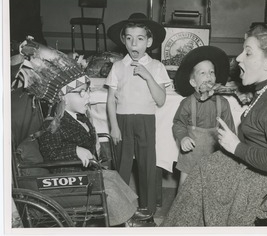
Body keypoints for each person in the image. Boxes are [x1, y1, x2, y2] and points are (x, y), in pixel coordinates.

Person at [15, 37, 156, 227]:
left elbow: (88, 140)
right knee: (109, 187)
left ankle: (130, 212)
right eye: (81, 92)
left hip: (84, 173)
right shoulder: (52, 124)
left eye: (87, 91)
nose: (87, 96)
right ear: (63, 98)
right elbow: (51, 151)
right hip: (69, 179)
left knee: (113, 177)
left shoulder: (80, 118)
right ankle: (125, 221)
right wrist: (75, 151)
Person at [162, 25, 267, 226]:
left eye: (247, 53)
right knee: (203, 170)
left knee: (205, 177)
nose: (238, 58)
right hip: (254, 168)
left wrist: (236, 147)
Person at [105, 13, 171, 215]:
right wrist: (114, 126)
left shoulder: (157, 67)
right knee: (122, 167)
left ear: (149, 42)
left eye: (140, 38)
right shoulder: (118, 67)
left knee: (147, 165)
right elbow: (110, 99)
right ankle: (120, 210)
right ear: (124, 41)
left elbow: (160, 100)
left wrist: (148, 75)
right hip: (123, 120)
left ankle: (148, 209)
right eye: (129, 38)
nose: (134, 43)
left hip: (145, 121)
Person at [172, 46, 235, 187]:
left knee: (213, 189)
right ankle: (181, 209)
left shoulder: (223, 103)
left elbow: (230, 130)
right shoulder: (187, 103)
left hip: (215, 156)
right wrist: (183, 138)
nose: (208, 76)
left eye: (211, 72)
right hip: (190, 156)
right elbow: (178, 124)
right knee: (185, 188)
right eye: (203, 73)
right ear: (193, 82)